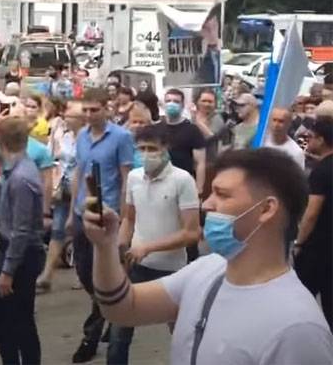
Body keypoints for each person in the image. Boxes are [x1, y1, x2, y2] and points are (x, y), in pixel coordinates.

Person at [84, 148, 333, 364]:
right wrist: (105, 246)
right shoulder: (208, 270)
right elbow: (124, 308)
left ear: (267, 209)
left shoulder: (298, 328)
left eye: (222, 194)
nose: (207, 204)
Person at [108, 125, 201, 364]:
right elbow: (129, 218)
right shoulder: (133, 177)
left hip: (172, 270)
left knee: (182, 333)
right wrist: (120, 247)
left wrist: (149, 247)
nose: (146, 154)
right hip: (136, 266)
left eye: (152, 149)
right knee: (119, 332)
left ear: (165, 149)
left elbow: (192, 232)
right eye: (142, 149)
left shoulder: (182, 180)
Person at [69, 87, 135, 363]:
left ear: (106, 109)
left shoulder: (121, 137)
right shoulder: (82, 136)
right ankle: (106, 310)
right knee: (84, 273)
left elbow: (125, 179)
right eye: (85, 110)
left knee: (101, 277)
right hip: (82, 213)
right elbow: (78, 171)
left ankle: (91, 335)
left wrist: (123, 220)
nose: (89, 114)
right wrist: (73, 206)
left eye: (94, 109)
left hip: (106, 216)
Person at [0, 116, 45, 365]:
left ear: (2, 140)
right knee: (1, 311)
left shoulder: (21, 178)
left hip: (20, 253)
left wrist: (8, 271)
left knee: (18, 316)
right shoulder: (15, 163)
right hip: (11, 248)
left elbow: (22, 230)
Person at [37, 101, 84, 290]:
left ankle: (84, 274)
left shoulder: (87, 139)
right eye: (66, 114)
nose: (65, 118)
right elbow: (56, 158)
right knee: (57, 230)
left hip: (80, 191)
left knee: (80, 234)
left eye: (70, 115)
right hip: (63, 187)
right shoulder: (64, 135)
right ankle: (47, 275)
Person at [294, 117, 333, 328]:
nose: (308, 140)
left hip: (317, 246)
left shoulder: (321, 171)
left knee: (301, 296)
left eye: (312, 137)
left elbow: (311, 212)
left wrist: (299, 243)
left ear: (322, 140)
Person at [155, 88, 206, 194]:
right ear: (164, 104)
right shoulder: (157, 129)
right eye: (168, 101)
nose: (171, 104)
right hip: (160, 183)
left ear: (182, 105)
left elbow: (200, 162)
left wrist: (199, 189)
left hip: (184, 184)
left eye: (176, 101)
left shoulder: (192, 130)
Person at [192, 88, 226, 165]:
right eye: (204, 101)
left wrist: (197, 122)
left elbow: (211, 136)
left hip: (208, 163)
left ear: (215, 104)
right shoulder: (190, 116)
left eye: (210, 102)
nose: (207, 104)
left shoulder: (217, 118)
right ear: (197, 102)